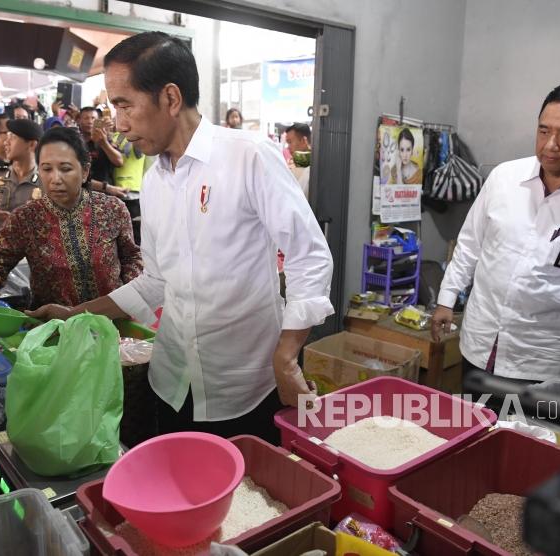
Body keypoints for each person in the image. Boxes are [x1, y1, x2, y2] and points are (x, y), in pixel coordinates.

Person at [28, 32, 334, 443]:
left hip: (243, 388)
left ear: (170, 99)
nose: (118, 125)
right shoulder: (154, 183)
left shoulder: (248, 157)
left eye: (124, 105)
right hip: (172, 385)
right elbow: (156, 280)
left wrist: (286, 357)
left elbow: (309, 257)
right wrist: (76, 313)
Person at [432, 83, 560, 384]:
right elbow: (470, 244)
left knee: (530, 431)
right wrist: (446, 299)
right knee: (475, 425)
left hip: (541, 359)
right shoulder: (504, 178)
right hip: (479, 341)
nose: (550, 144)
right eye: (543, 130)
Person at [0, 127, 142, 307]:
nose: (55, 179)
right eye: (46, 169)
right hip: (53, 328)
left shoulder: (112, 209)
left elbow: (132, 257)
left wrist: (129, 295)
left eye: (65, 169)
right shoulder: (26, 218)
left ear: (84, 172)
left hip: (111, 324)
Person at [77, 106, 125, 197]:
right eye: (86, 118)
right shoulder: (75, 142)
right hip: (83, 195)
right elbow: (78, 176)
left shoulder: (105, 139)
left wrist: (104, 143)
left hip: (106, 196)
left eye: (93, 118)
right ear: (79, 120)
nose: (90, 121)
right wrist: (106, 187)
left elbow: (119, 162)